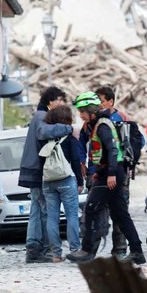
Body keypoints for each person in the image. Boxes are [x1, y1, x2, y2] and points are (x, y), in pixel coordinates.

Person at [67, 92, 146, 264]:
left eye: (82, 111)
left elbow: (113, 150)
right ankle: (137, 252)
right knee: (121, 215)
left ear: (91, 111)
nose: (80, 115)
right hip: (107, 172)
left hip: (111, 174)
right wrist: (100, 171)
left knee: (91, 209)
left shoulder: (102, 125)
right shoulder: (98, 124)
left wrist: (109, 174)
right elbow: (103, 152)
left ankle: (87, 250)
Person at [19, 86, 72, 264]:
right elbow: (44, 132)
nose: (61, 103)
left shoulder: (38, 115)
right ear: (50, 101)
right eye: (59, 99)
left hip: (32, 168)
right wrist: (68, 128)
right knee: (43, 211)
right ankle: (41, 249)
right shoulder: (42, 116)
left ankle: (33, 248)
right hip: (37, 170)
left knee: (36, 208)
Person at [94, 85, 144, 258]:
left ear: (110, 101)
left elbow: (139, 140)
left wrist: (126, 159)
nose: (98, 105)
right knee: (97, 210)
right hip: (100, 172)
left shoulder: (122, 118)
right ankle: (91, 249)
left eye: (101, 101)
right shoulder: (95, 119)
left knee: (119, 211)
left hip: (118, 173)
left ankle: (120, 248)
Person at [43, 106, 84, 261]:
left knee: (52, 217)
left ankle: (56, 254)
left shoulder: (45, 138)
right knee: (72, 215)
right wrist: (80, 181)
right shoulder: (70, 138)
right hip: (66, 179)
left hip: (48, 181)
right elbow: (75, 160)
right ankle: (74, 249)